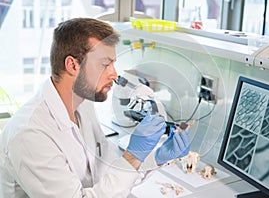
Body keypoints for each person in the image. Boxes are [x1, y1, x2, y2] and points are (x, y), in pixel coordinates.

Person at [0, 18, 190, 197]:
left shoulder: (83, 105)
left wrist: (155, 158)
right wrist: (132, 155)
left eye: (113, 64)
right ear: (73, 65)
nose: (114, 75)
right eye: (104, 64)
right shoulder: (30, 134)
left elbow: (106, 179)